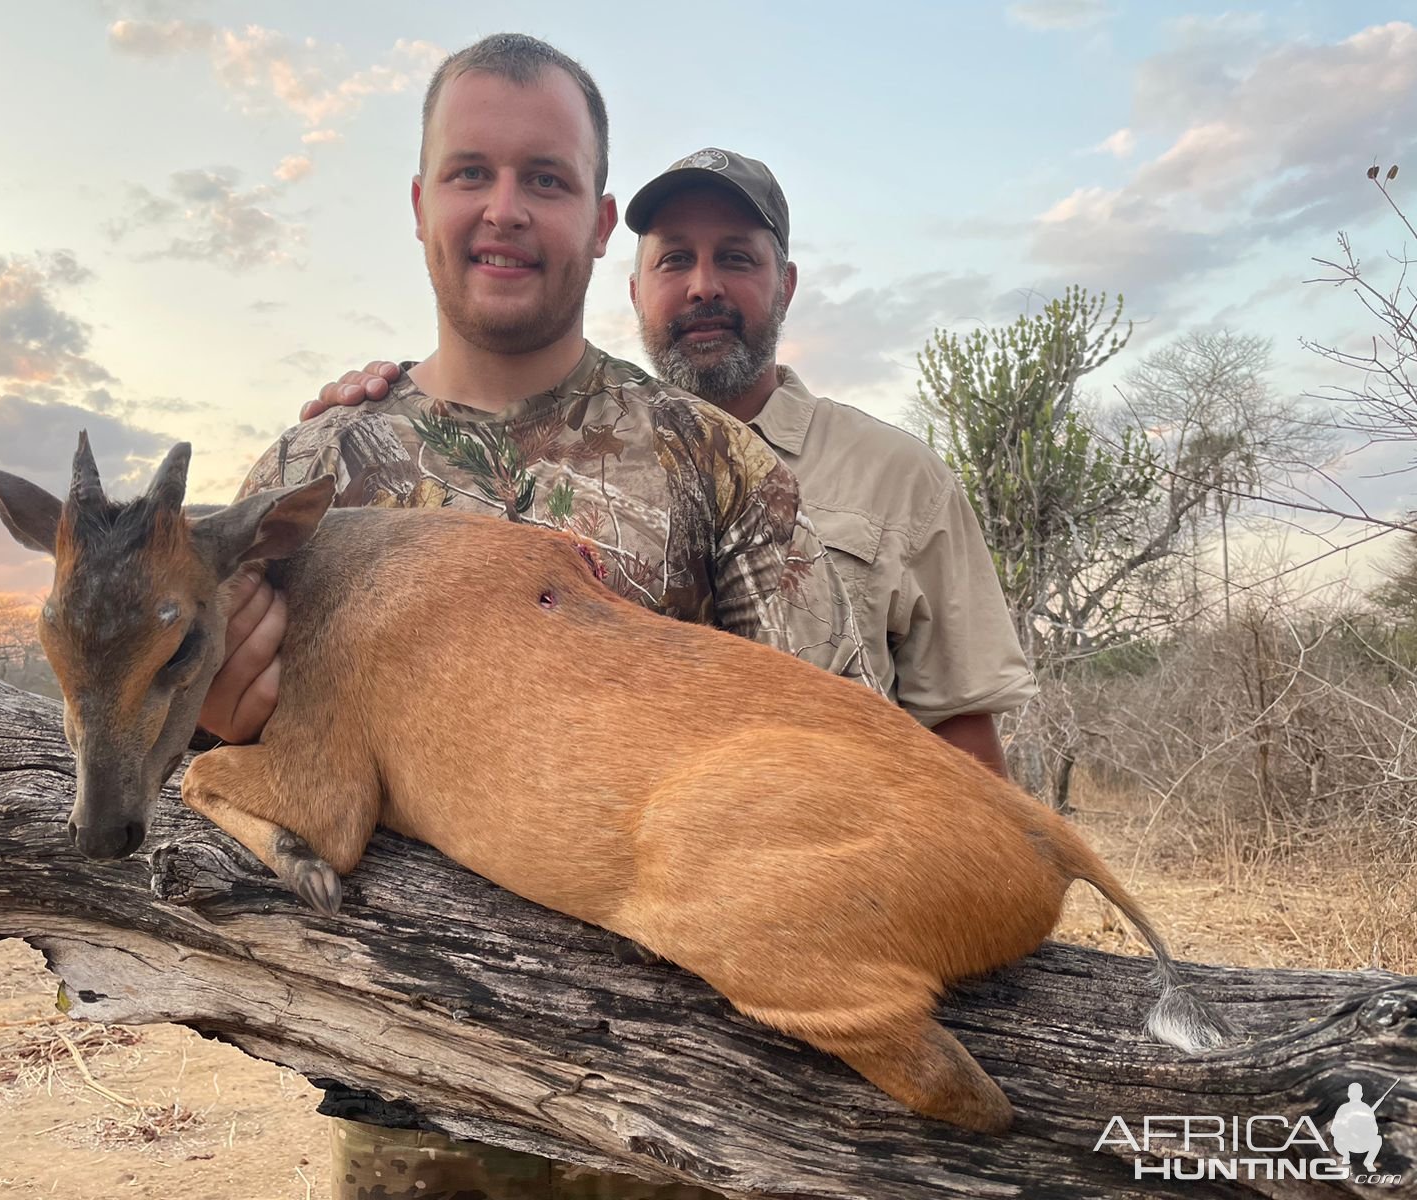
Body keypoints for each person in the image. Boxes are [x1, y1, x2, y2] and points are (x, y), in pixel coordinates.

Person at [205, 33, 876, 1200]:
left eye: (545, 179)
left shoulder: (714, 459)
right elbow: (212, 763)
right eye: (470, 173)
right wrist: (215, 719)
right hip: (410, 1116)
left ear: (601, 218)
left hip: (679, 1121)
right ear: (420, 204)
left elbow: (845, 750)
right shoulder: (305, 473)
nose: (503, 209)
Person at [311, 148, 1035, 777]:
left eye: (737, 258)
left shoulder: (901, 475)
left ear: (785, 284)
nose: (703, 286)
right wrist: (380, 416)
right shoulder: (547, 460)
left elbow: (964, 745)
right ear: (635, 293)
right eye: (675, 259)